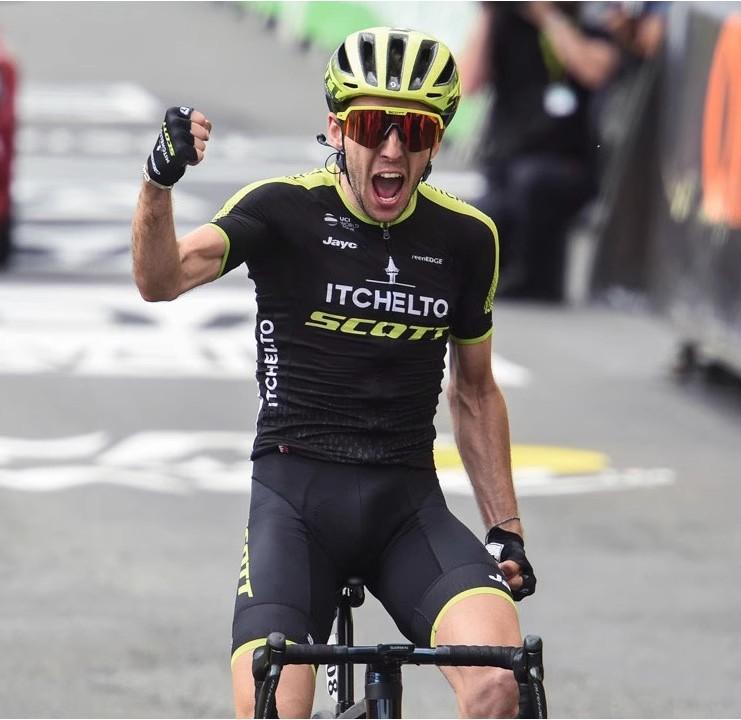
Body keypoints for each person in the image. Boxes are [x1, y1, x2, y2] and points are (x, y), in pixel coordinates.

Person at [132, 26, 536, 719]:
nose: (393, 150)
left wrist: (507, 530)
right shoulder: (281, 209)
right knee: (273, 706)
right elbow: (159, 279)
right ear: (337, 129)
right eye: (374, 127)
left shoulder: (468, 237)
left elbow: (474, 392)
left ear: (436, 143)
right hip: (295, 502)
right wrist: (158, 182)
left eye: (414, 131)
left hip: (407, 507)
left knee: (502, 681)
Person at [460, 2, 621, 301]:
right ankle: (495, 280)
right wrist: (488, 12)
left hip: (566, 162)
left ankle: (534, 281)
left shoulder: (585, 24)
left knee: (532, 182)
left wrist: (548, 17)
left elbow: (595, 71)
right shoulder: (505, 24)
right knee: (485, 213)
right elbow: (468, 83)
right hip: (506, 162)